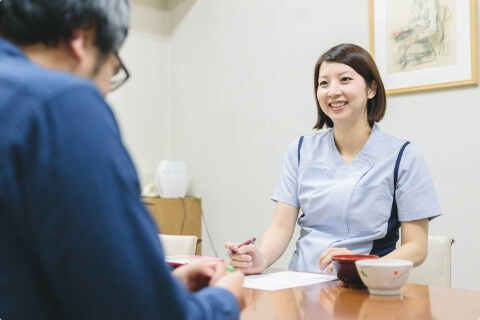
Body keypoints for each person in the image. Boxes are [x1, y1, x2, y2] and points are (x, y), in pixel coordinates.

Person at [0, 1, 244, 319]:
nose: (106, 93)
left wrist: (156, 287)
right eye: (113, 73)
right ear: (83, 35)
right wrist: (224, 301)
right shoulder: (61, 105)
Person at [225, 43, 441, 275]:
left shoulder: (404, 156)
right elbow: (280, 227)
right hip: (301, 283)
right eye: (323, 83)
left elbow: (416, 248)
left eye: (345, 79)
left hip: (364, 287)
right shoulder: (299, 150)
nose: (333, 91)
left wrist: (362, 264)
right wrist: (262, 257)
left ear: (371, 89)